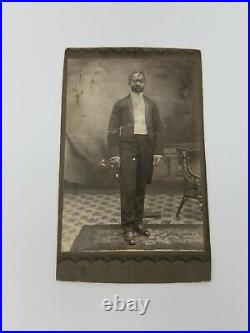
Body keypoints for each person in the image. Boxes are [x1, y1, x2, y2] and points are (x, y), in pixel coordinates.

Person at [107, 71, 163, 245]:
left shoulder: (151, 104)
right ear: (129, 82)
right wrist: (115, 154)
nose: (138, 84)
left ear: (145, 83)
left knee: (140, 186)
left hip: (145, 146)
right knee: (128, 187)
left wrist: (157, 151)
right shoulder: (121, 104)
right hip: (127, 147)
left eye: (141, 81)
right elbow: (112, 129)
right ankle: (128, 227)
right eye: (134, 81)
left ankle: (138, 222)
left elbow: (159, 129)